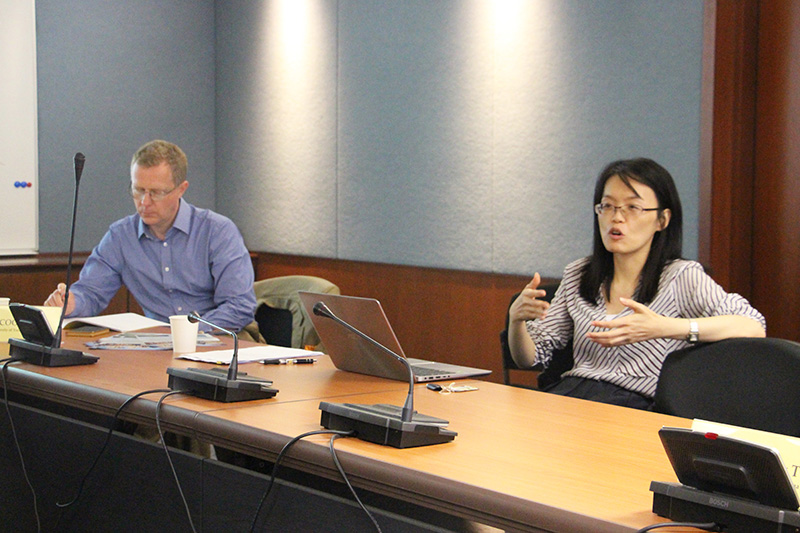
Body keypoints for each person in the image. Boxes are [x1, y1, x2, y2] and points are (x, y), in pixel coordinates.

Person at [507, 157, 765, 410]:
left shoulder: (680, 276)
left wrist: (666, 327)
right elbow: (529, 358)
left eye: (632, 207)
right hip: (574, 396)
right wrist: (516, 322)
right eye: (608, 206)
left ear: (662, 220)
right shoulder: (578, 273)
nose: (616, 218)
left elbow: (752, 325)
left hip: (637, 405)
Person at [44, 140, 256, 332]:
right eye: (138, 190)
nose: (144, 202)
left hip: (224, 339)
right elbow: (91, 292)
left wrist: (189, 332)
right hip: (159, 344)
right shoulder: (121, 236)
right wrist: (71, 303)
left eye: (156, 192)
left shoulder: (217, 231)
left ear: (181, 189)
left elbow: (239, 306)